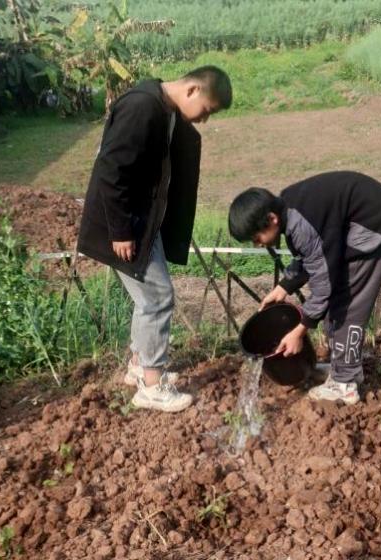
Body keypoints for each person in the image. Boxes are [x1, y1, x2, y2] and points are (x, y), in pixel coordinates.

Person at [77, 66, 232, 412]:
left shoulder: (161, 105)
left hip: (140, 223)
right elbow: (110, 169)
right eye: (207, 110)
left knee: (148, 297)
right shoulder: (143, 106)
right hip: (123, 227)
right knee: (158, 297)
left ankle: (138, 366)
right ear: (192, 90)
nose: (204, 120)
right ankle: (152, 386)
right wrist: (120, 230)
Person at [228, 171, 381, 404]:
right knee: (336, 304)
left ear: (271, 219)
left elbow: (324, 287)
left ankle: (345, 385)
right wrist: (284, 286)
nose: (257, 244)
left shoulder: (300, 224)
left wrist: (300, 331)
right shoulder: (288, 210)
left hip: (373, 227)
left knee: (346, 304)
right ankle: (344, 369)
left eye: (256, 237)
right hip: (356, 223)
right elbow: (312, 256)